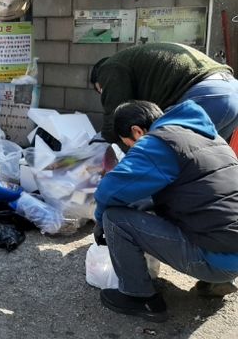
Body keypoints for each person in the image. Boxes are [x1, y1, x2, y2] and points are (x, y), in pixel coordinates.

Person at [93, 100, 238, 322]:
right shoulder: (209, 137)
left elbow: (108, 191)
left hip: (217, 259)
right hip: (231, 247)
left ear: (137, 131)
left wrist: (99, 221)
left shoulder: (158, 143)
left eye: (129, 145)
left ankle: (139, 298)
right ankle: (216, 281)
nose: (132, 150)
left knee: (114, 218)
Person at [90, 42, 238, 144]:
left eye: (101, 91)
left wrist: (107, 143)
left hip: (207, 94)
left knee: (166, 151)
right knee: (205, 159)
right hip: (230, 88)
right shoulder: (135, 64)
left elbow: (115, 118)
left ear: (100, 82)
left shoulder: (109, 68)